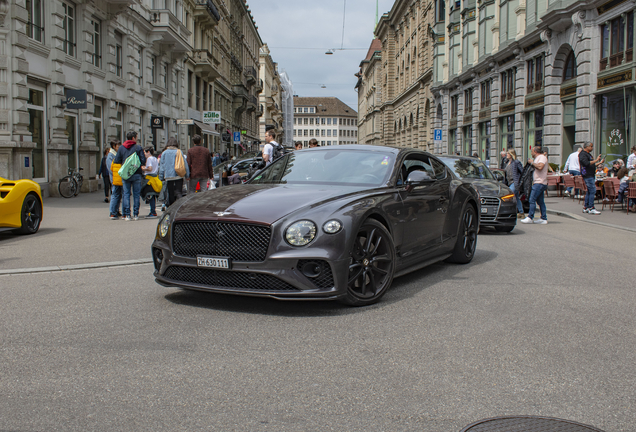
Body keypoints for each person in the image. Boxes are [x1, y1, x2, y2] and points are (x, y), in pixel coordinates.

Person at [113, 131, 146, 221]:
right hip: (137, 174)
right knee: (136, 194)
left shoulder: (121, 148)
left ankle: (127, 215)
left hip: (126, 174)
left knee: (126, 194)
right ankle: (136, 214)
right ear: (133, 138)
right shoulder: (138, 147)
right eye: (136, 137)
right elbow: (143, 161)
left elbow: (116, 161)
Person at [158, 137, 190, 211]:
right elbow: (184, 164)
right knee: (179, 191)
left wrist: (161, 176)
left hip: (169, 176)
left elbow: (162, 166)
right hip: (178, 175)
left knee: (170, 192)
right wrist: (187, 175)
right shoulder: (179, 152)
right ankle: (179, 207)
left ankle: (172, 207)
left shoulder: (164, 153)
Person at [521, 145, 549, 224]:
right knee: (540, 202)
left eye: (532, 151)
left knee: (532, 199)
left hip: (540, 182)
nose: (531, 153)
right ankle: (543, 218)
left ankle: (530, 217)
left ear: (535, 152)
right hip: (539, 182)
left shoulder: (542, 157)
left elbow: (540, 167)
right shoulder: (538, 158)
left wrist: (532, 163)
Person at [579, 141, 604, 215]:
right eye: (591, 146)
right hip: (587, 175)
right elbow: (586, 163)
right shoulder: (583, 154)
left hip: (590, 174)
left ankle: (586, 207)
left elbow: (591, 164)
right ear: (586, 147)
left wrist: (599, 162)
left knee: (589, 191)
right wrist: (596, 160)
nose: (592, 148)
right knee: (592, 190)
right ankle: (591, 207)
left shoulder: (588, 154)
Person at [505, 149, 524, 218]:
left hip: (514, 182)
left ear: (511, 154)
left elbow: (522, 171)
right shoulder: (507, 162)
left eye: (508, 153)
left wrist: (519, 180)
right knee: (516, 198)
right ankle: (521, 212)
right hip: (509, 182)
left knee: (509, 195)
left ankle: (508, 211)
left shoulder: (516, 162)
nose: (506, 155)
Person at [141, 146, 159, 218]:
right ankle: (153, 211)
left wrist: (143, 168)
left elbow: (150, 168)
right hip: (155, 178)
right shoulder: (155, 158)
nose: (144, 154)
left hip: (149, 178)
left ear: (148, 152)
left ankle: (153, 212)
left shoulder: (149, 159)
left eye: (145, 152)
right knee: (153, 195)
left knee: (149, 194)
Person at [107, 140, 122, 220]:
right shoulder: (110, 155)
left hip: (118, 178)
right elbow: (110, 168)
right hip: (114, 178)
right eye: (118, 146)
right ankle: (112, 212)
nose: (119, 147)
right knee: (115, 194)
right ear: (113, 146)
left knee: (118, 195)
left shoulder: (116, 154)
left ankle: (116, 210)